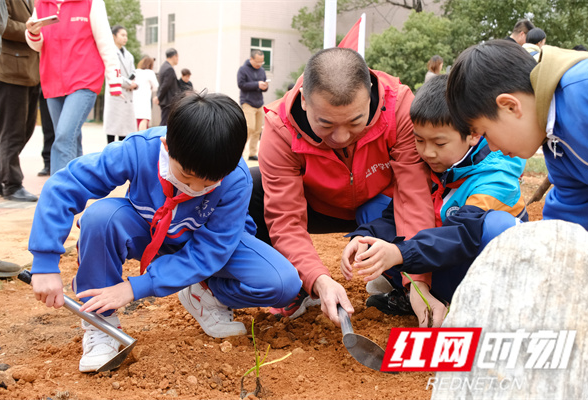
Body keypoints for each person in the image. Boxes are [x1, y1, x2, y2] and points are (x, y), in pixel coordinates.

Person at [27, 92, 301, 372]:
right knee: (100, 217)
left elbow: (213, 249)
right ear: (167, 146)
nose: (195, 189)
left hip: (205, 244)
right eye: (186, 176)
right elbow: (64, 186)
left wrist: (136, 287)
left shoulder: (236, 179)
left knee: (283, 283)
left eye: (209, 182)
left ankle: (205, 295)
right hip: (148, 233)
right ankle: (102, 323)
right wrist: (45, 263)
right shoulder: (139, 149)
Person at [249, 47, 435, 325]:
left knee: (417, 205)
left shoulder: (398, 107)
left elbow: (414, 196)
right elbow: (285, 219)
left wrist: (418, 281)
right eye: (325, 124)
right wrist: (319, 279)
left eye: (355, 121)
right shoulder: (280, 127)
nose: (341, 136)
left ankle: (398, 280)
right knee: (250, 188)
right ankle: (298, 285)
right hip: (317, 205)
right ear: (304, 102)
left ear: (370, 92)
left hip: (380, 206)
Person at [341, 75, 528, 327]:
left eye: (439, 142)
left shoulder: (496, 176)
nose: (427, 152)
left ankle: (480, 311)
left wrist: (399, 253)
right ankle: (418, 295)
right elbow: (395, 216)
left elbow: (463, 235)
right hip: (437, 260)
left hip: (475, 268)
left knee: (496, 226)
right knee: (372, 210)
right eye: (419, 140)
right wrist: (362, 237)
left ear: (473, 134)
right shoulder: (432, 165)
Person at [446, 39, 588, 231]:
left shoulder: (581, 91)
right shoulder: (554, 144)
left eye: (485, 134)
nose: (493, 148)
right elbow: (568, 211)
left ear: (510, 106)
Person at [26, 0, 121, 176]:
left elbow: (105, 42)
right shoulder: (41, 5)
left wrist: (115, 79)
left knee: (63, 138)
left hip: (84, 80)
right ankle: (78, 192)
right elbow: (37, 45)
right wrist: (33, 33)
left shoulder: (92, 3)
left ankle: (57, 196)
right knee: (71, 139)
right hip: (53, 81)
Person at [0, 0, 40, 202]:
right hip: (10, 70)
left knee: (25, 130)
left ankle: (3, 176)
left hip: (32, 71)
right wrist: (29, 29)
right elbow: (3, 25)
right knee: (12, 132)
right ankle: (12, 184)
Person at [104, 25, 137, 144]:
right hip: (116, 93)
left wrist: (132, 81)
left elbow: (133, 71)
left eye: (126, 35)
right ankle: (110, 155)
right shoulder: (109, 53)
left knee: (125, 130)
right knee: (113, 128)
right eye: (122, 35)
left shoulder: (129, 55)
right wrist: (129, 83)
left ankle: (122, 156)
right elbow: (112, 73)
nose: (125, 38)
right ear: (114, 36)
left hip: (127, 95)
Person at [237, 49, 268, 161]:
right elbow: (241, 84)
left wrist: (265, 86)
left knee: (257, 129)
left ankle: (252, 153)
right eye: (257, 62)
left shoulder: (262, 71)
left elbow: (263, 85)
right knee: (249, 127)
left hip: (259, 103)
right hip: (247, 102)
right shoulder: (243, 70)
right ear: (251, 59)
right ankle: (238, 152)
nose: (259, 64)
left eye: (261, 62)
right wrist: (256, 84)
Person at [134, 56, 159, 131]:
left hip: (135, 99)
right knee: (144, 119)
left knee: (137, 120)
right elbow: (156, 86)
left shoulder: (135, 71)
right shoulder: (150, 72)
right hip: (145, 100)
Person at [156, 48, 180, 126]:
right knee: (165, 123)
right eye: (177, 57)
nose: (177, 59)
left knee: (166, 122)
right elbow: (165, 85)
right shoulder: (169, 68)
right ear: (173, 56)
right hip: (168, 101)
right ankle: (160, 137)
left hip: (166, 101)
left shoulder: (164, 66)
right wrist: (158, 97)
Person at [38, 87, 54, 176]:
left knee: (67, 132)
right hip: (48, 87)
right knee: (48, 128)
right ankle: (48, 163)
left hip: (73, 86)